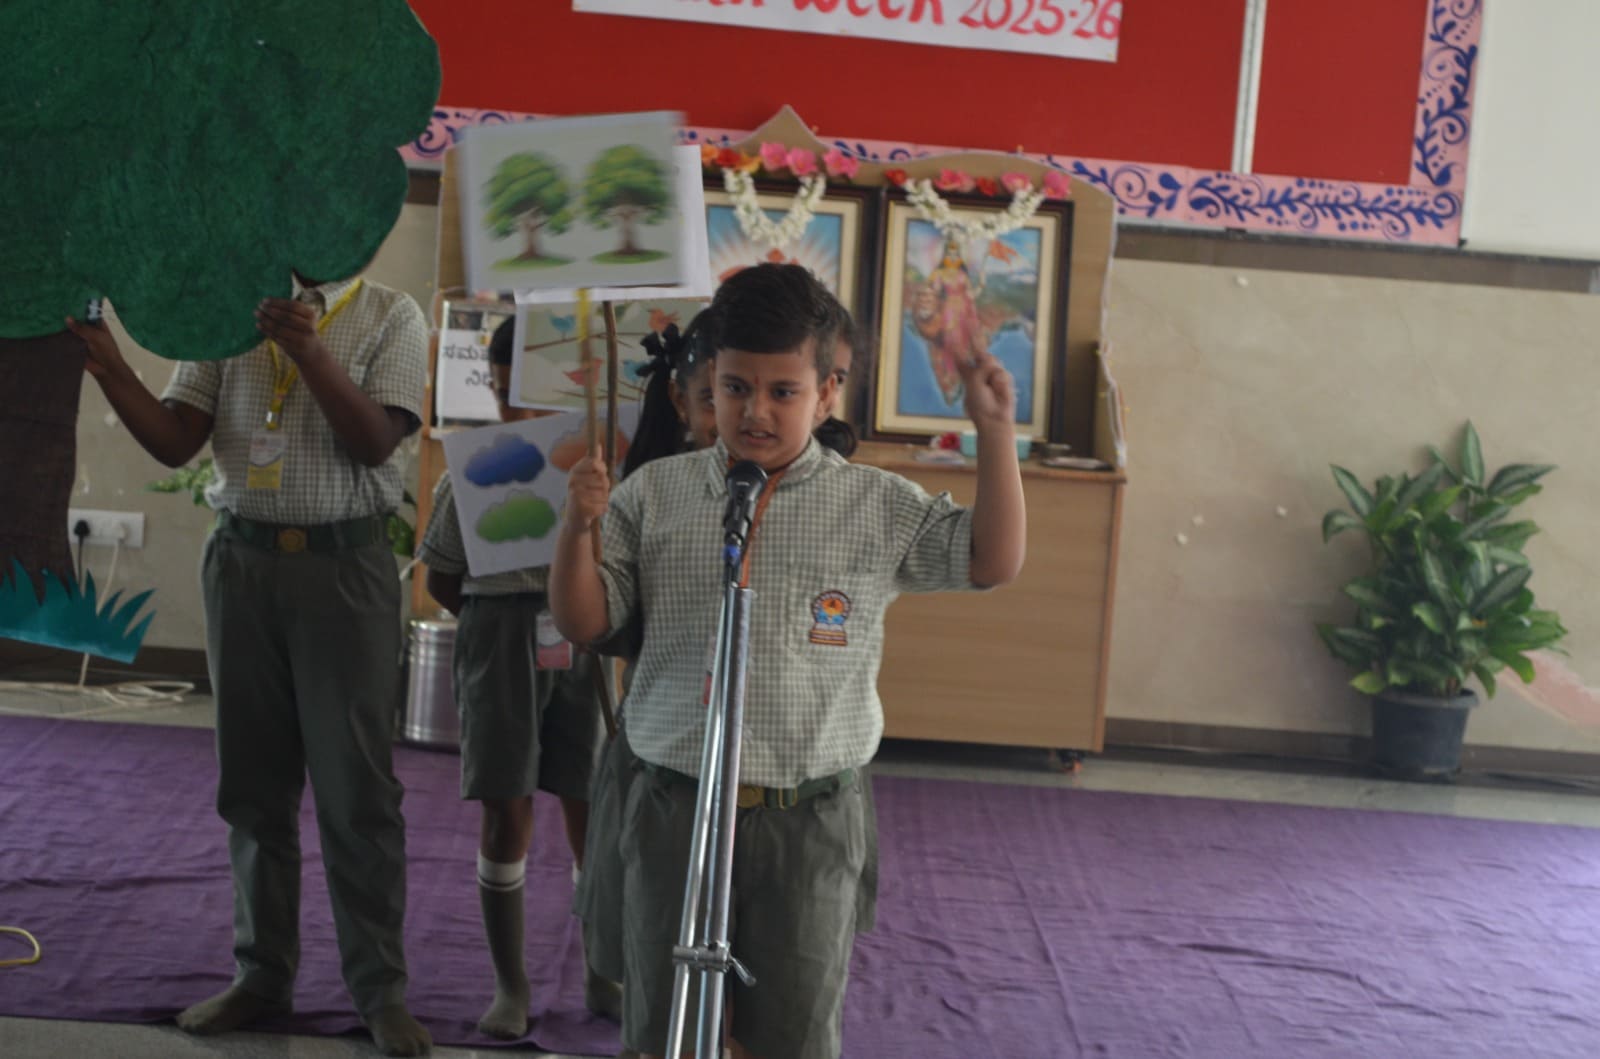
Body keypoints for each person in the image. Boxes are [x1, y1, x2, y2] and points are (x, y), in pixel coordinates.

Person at [550, 263, 1026, 1059]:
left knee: (791, 1033)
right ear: (707, 383)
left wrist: (997, 432)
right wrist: (577, 527)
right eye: (735, 388)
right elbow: (587, 619)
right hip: (673, 798)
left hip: (804, 814)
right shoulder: (656, 494)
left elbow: (990, 559)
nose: (755, 411)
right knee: (665, 1031)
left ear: (828, 390)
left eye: (782, 391)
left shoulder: (874, 504)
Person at [67, 272, 433, 1056]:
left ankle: (380, 991)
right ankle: (262, 974)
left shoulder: (388, 313)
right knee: (253, 789)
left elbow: (374, 440)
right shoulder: (229, 301)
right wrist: (109, 362)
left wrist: (309, 350)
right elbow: (174, 438)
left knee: (356, 794)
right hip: (242, 563)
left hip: (344, 570)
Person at [418, 318, 611, 1039]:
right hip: (497, 632)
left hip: (586, 634)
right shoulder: (470, 466)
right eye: (498, 393)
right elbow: (442, 576)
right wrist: (497, 618)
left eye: (521, 394)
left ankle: (604, 965)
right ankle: (512, 983)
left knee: (591, 804)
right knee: (507, 809)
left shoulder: (593, 464)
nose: (509, 411)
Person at [913, 232, 988, 408]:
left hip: (964, 313)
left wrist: (981, 283)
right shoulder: (939, 273)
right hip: (946, 313)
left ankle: (958, 380)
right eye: (949, 253)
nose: (952, 257)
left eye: (955, 254)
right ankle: (947, 380)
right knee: (947, 344)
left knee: (962, 346)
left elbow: (970, 294)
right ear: (944, 255)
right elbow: (932, 292)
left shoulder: (963, 275)